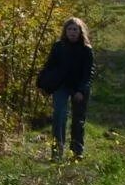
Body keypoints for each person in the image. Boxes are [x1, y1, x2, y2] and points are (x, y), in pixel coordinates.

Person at [36, 17, 95, 160]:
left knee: (78, 119)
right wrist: (44, 84)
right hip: (61, 86)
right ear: (65, 31)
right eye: (69, 29)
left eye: (75, 29)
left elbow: (88, 73)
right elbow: (49, 66)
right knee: (59, 116)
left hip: (79, 87)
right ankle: (57, 153)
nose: (72, 32)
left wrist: (81, 90)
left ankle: (76, 152)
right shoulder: (58, 47)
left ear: (80, 31)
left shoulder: (86, 50)